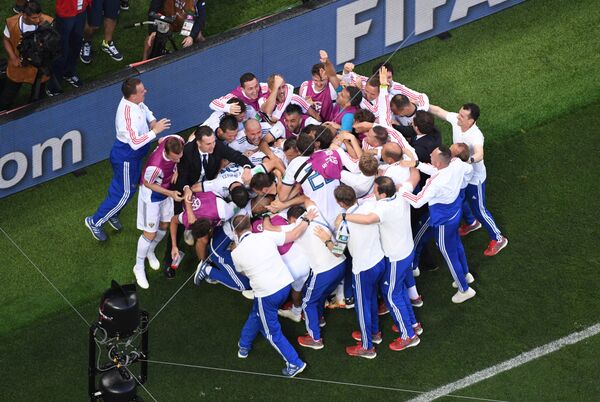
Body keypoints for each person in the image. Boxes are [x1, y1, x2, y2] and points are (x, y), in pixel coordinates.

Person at [228, 212, 316, 377]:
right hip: (284, 286)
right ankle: (244, 344)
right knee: (256, 314)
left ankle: (294, 363)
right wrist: (307, 219)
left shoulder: (235, 253)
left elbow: (244, 273)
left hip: (266, 293)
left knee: (271, 332)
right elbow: (294, 234)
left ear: (235, 232)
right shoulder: (266, 235)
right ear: (249, 225)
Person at [341, 176, 422, 351]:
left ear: (383, 193)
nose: (372, 192)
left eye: (375, 190)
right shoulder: (401, 193)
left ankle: (409, 335)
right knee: (398, 290)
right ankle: (413, 324)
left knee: (392, 296)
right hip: (407, 249)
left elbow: (369, 219)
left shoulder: (384, 208)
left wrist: (345, 216)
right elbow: (414, 176)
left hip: (395, 257)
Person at [85, 78, 171, 241]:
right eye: (142, 91)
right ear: (132, 96)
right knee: (124, 193)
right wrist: (155, 131)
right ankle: (95, 221)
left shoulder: (136, 102)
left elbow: (144, 108)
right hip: (127, 156)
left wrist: (152, 121)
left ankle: (113, 214)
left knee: (125, 189)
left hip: (134, 156)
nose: (145, 91)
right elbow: (135, 143)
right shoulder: (126, 116)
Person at [163, 125, 252, 276]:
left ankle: (198, 235)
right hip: (187, 188)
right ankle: (170, 259)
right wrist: (186, 189)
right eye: (208, 143)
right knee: (178, 221)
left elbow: (237, 156)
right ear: (198, 143)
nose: (213, 146)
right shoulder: (188, 151)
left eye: (213, 142)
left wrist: (248, 168)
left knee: (208, 219)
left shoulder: (216, 147)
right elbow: (183, 176)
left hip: (208, 188)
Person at [429, 103, 509, 256]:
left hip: (474, 178)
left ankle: (498, 238)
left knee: (480, 209)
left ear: (471, 121)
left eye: (462, 116)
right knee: (460, 198)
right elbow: (438, 110)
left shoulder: (476, 135)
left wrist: (464, 162)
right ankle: (471, 222)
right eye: (459, 113)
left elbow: (479, 154)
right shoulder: (457, 120)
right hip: (461, 174)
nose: (458, 117)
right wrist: (418, 101)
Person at [399, 146, 477, 303]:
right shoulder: (456, 163)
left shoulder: (435, 182)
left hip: (442, 221)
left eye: (432, 156)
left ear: (439, 163)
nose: (429, 154)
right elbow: (469, 171)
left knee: (449, 254)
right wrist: (416, 164)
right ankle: (466, 274)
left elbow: (417, 201)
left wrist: (401, 190)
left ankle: (464, 289)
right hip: (455, 211)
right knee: (456, 244)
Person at [333, 184, 386, 359]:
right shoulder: (369, 206)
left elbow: (337, 251)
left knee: (363, 306)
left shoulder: (344, 225)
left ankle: (367, 346)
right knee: (371, 299)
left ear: (341, 203)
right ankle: (374, 332)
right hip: (379, 261)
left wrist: (325, 239)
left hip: (363, 269)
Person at [133, 135, 184, 289]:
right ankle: (138, 266)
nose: (178, 160)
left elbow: (161, 139)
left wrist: (176, 168)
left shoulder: (175, 140)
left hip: (165, 191)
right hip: (152, 198)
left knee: (164, 226)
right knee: (150, 233)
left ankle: (150, 251)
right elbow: (148, 184)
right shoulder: (155, 166)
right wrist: (171, 194)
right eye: (175, 159)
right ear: (167, 153)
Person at [0, 0, 53, 110]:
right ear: (24, 15)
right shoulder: (12, 23)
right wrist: (13, 57)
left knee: (37, 97)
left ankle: (34, 111)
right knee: (8, 96)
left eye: (39, 16)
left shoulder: (48, 22)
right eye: (34, 18)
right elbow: (6, 40)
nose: (38, 20)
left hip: (40, 68)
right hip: (18, 66)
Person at [47, 0, 90, 95]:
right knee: (62, 49)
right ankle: (54, 86)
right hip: (66, 13)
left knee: (76, 43)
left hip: (81, 10)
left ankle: (69, 72)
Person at [142, 0, 207, 60]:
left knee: (198, 36)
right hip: (168, 18)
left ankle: (207, 52)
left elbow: (201, 18)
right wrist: (153, 31)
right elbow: (153, 10)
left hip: (187, 20)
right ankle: (143, 64)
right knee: (151, 39)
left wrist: (191, 36)